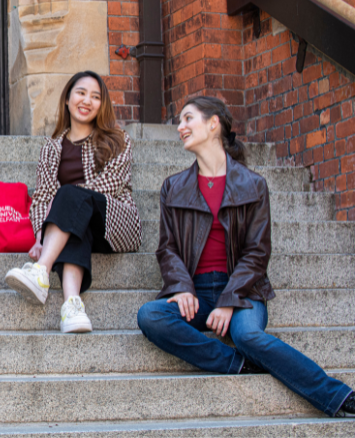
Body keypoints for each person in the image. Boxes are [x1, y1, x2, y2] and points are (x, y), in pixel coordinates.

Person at [136, 96, 355, 418]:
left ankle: (339, 397)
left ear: (213, 125)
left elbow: (257, 252)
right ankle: (238, 363)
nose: (180, 127)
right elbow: (167, 248)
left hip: (242, 290)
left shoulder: (253, 184)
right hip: (195, 291)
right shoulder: (174, 187)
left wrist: (229, 298)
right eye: (179, 121)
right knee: (150, 316)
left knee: (247, 334)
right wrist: (181, 287)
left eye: (187, 119)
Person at [4, 71, 142, 333]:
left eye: (95, 96)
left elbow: (111, 184)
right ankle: (72, 306)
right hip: (80, 226)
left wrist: (66, 202)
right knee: (74, 222)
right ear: (67, 98)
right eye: (81, 93)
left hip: (116, 221)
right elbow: (43, 196)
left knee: (69, 198)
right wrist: (39, 237)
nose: (87, 100)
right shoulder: (52, 147)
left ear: (103, 105)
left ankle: (41, 270)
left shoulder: (118, 139)